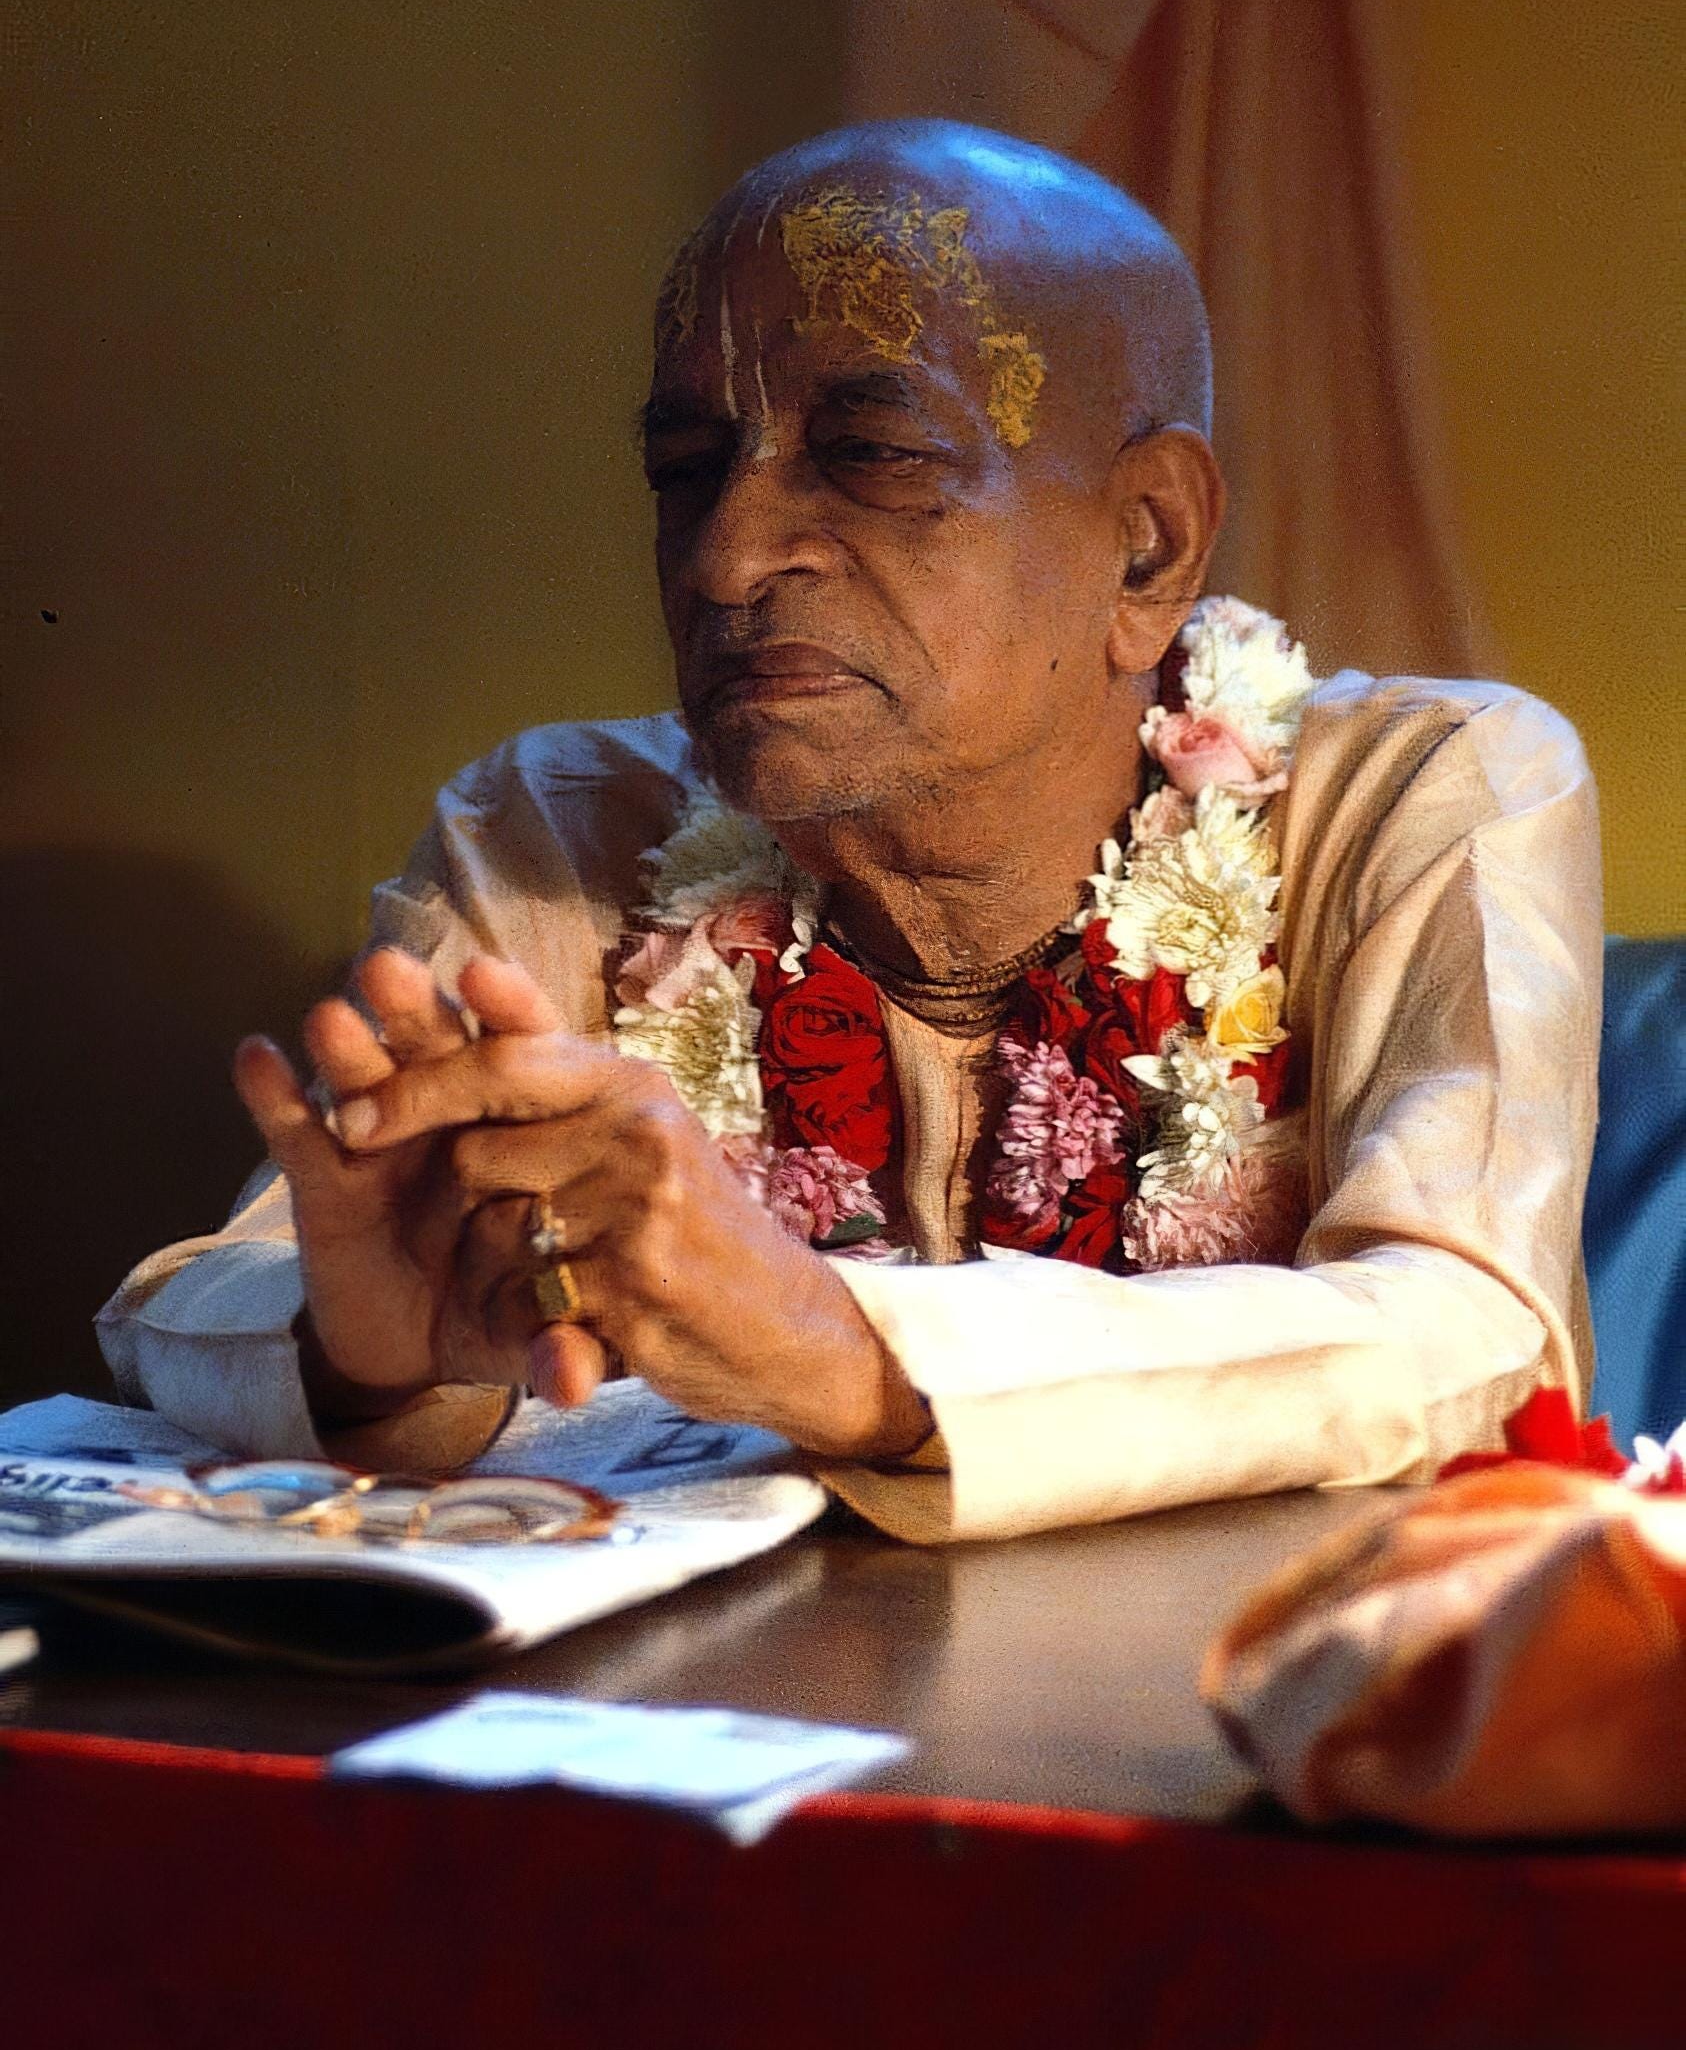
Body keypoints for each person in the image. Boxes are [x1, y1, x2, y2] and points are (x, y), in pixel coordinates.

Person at [96, 121, 1602, 1543]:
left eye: (874, 454)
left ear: (1146, 542)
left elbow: (1471, 1333)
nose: (726, 556)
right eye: (685, 473)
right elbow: (227, 1287)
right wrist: (357, 1357)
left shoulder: (1422, 793)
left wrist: (843, 1353)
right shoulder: (551, 833)